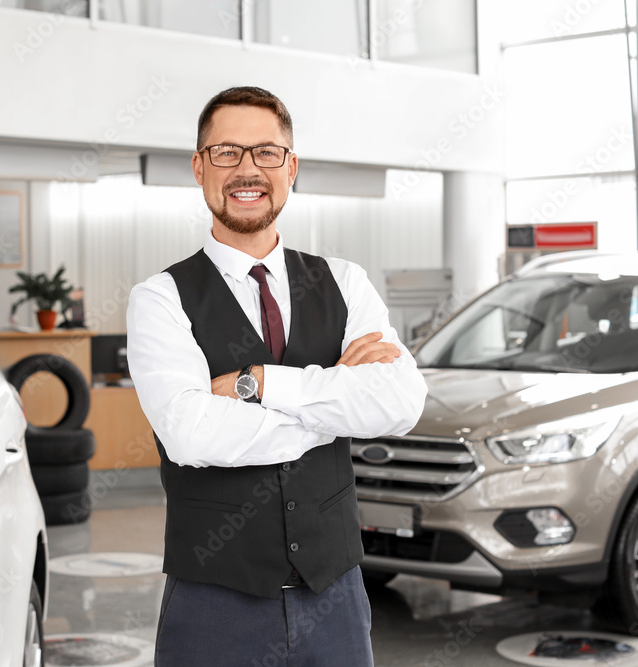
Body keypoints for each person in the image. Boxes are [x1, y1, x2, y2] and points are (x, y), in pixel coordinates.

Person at [126, 86, 427, 666]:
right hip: (213, 607)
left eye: (266, 153)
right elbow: (192, 435)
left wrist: (262, 383)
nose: (247, 170)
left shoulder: (344, 281)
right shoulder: (160, 298)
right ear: (199, 168)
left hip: (335, 599)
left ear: (291, 168)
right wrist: (335, 404)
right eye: (226, 153)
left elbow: (402, 403)